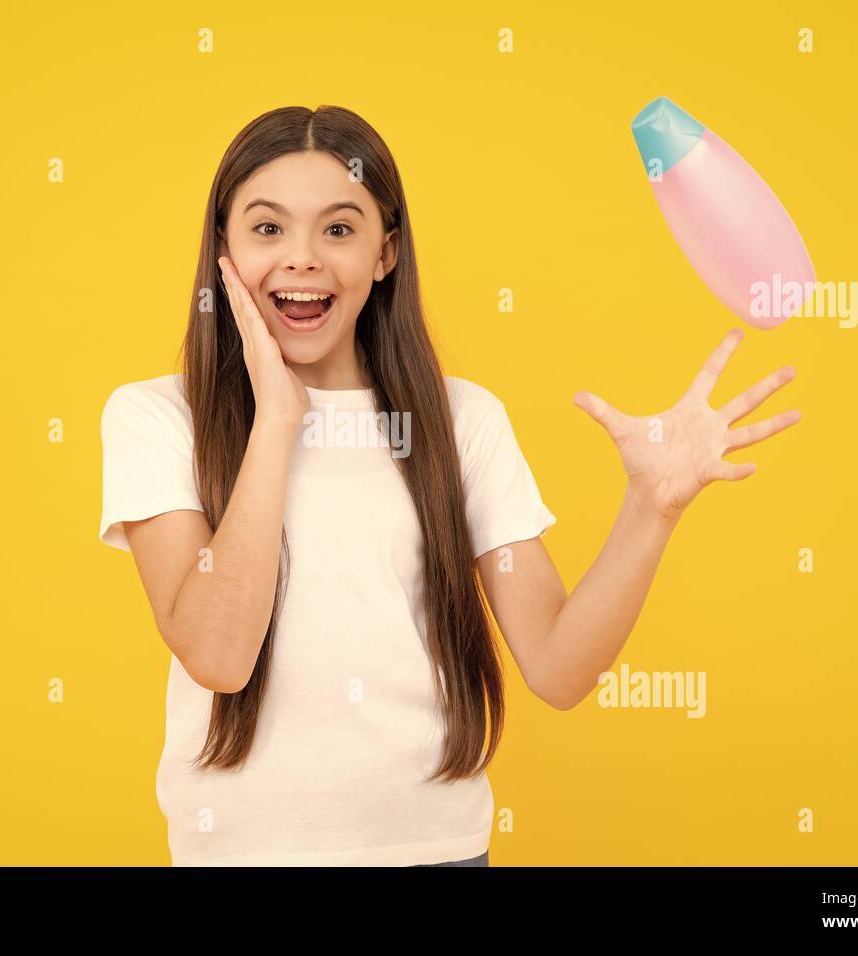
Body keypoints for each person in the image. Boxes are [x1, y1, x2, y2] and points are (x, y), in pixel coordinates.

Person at [98, 105, 800, 867]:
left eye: (339, 229)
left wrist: (652, 506)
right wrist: (276, 418)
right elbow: (218, 654)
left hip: (438, 850)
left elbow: (560, 670)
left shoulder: (461, 420)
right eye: (267, 229)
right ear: (224, 251)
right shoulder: (158, 418)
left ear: (385, 252)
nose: (301, 258)